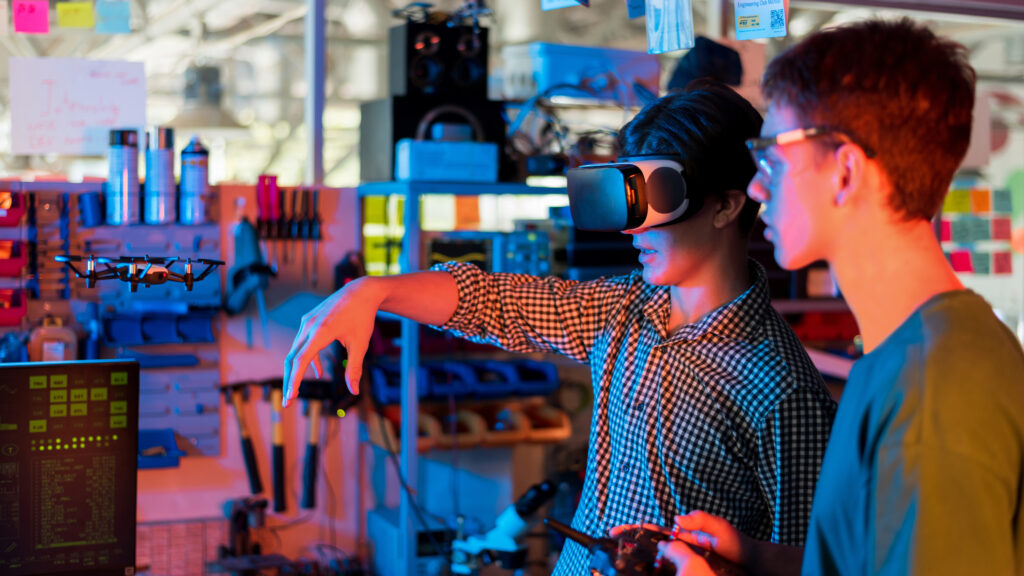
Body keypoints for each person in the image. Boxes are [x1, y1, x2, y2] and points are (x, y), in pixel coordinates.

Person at [282, 81, 837, 575]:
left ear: (725, 206)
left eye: (656, 199)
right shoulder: (621, 309)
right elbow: (493, 301)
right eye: (628, 198)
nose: (631, 230)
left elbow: (811, 561)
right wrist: (372, 290)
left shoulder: (782, 389)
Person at [657, 18, 1024, 575]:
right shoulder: (906, 356)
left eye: (774, 156)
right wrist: (754, 557)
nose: (757, 186)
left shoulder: (933, 389)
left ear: (845, 171)